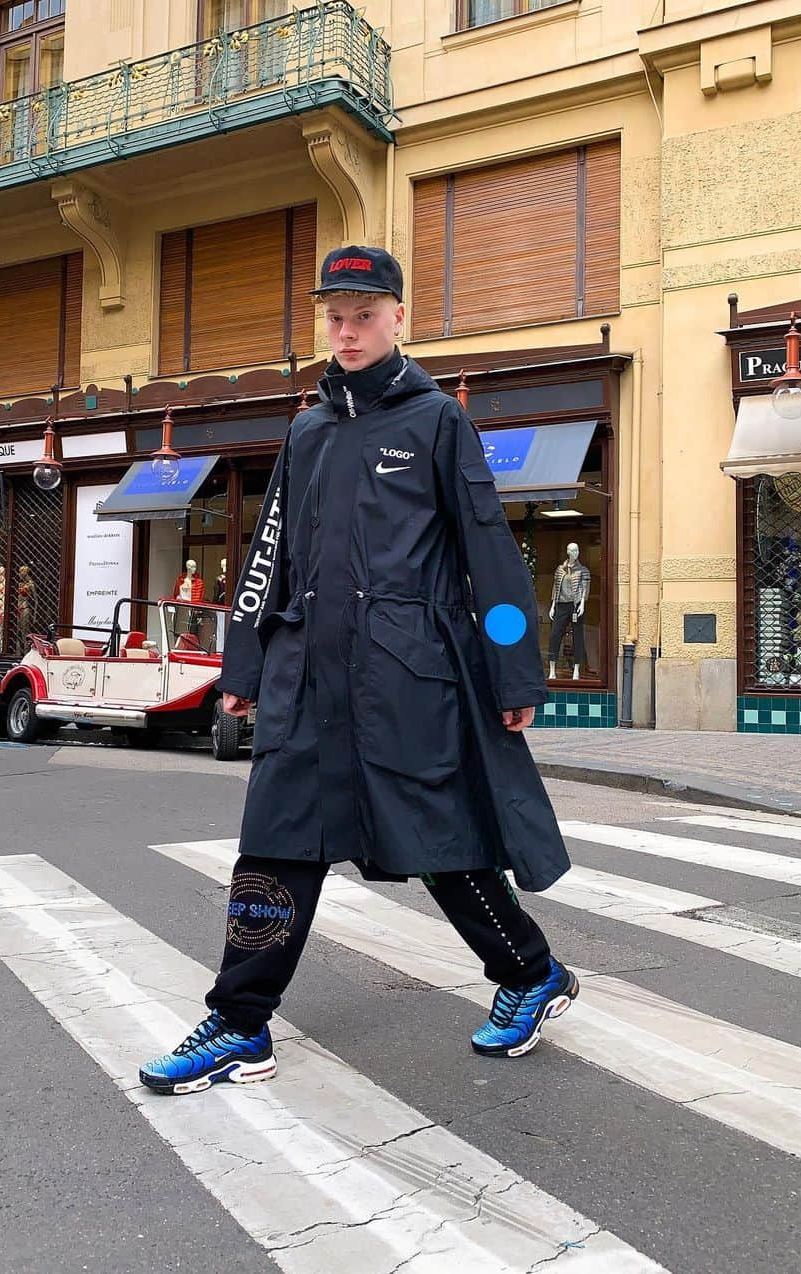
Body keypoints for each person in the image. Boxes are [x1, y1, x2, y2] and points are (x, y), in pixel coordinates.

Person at [140, 245, 576, 1097]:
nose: (346, 331)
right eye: (335, 316)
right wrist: (249, 660)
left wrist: (514, 672)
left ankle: (531, 974)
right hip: (308, 677)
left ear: (398, 317)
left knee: (442, 848)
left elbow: (492, 552)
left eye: (364, 314)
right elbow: (270, 550)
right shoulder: (307, 428)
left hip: (407, 675)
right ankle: (240, 1023)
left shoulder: (436, 421)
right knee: (274, 846)